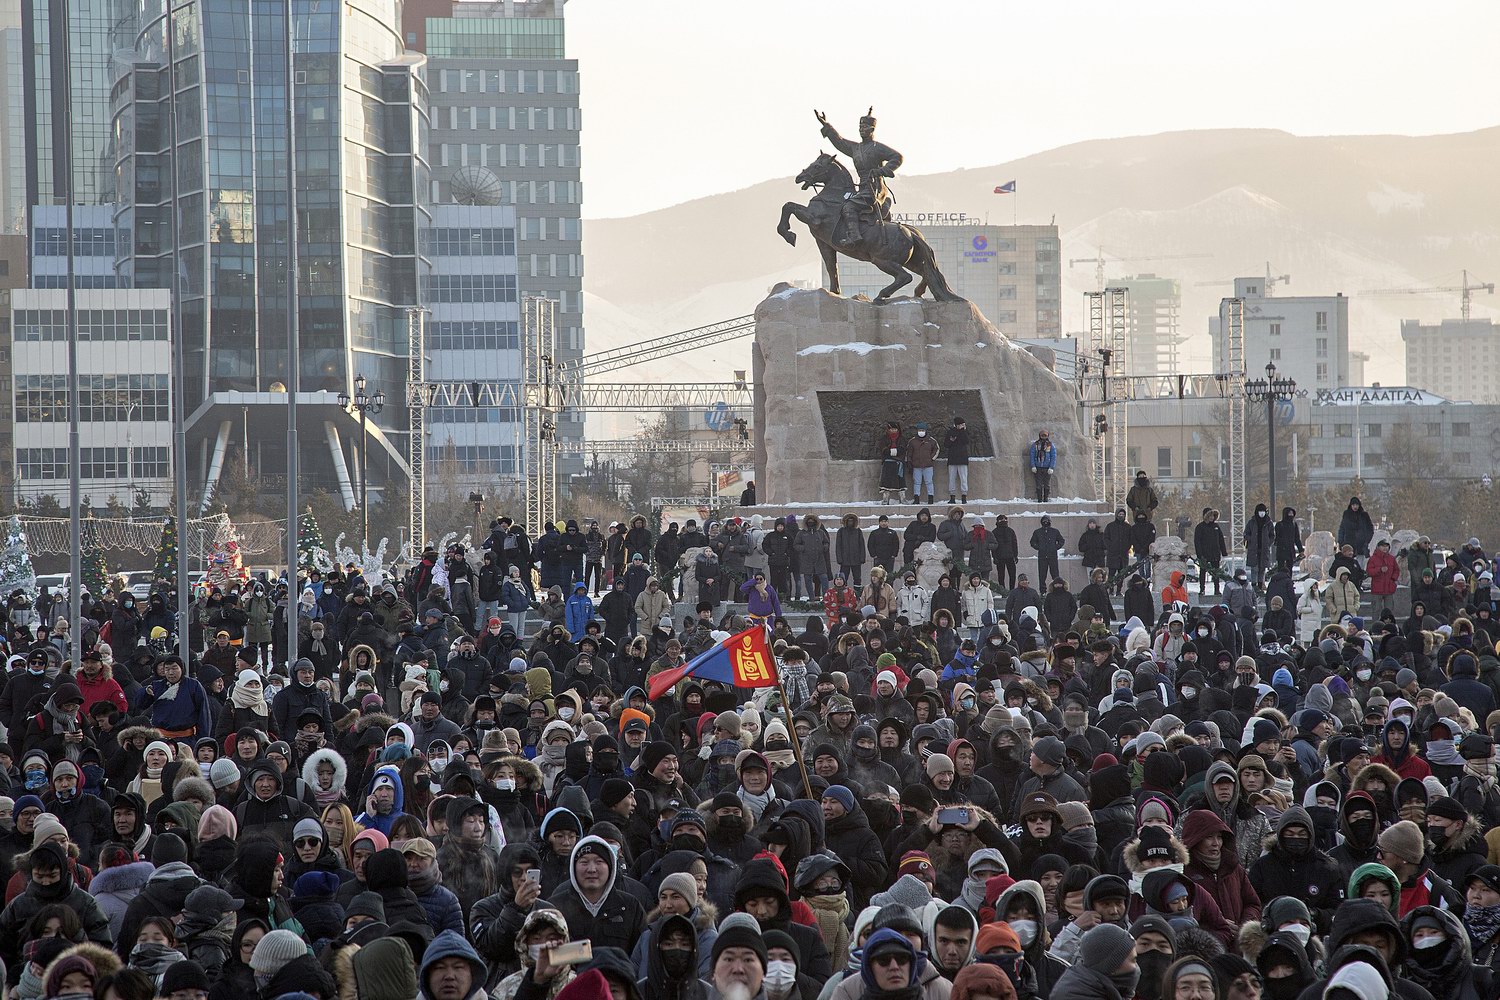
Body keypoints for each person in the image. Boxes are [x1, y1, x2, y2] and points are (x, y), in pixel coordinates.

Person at [1194, 510, 1228, 598]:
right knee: (1203, 572)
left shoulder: (1216, 527)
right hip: (1204, 555)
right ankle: (1202, 589)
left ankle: (1217, 589)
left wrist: (1224, 552)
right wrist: (1200, 555)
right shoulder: (1200, 527)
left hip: (1215, 554)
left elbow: (1221, 540)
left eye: (1213, 516)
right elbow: (1197, 541)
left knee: (1216, 573)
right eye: (1210, 516)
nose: (1212, 518)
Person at [907, 423, 940, 505]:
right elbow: (909, 453)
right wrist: (909, 462)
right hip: (916, 466)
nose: (921, 432)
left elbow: (937, 449)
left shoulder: (931, 440)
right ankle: (916, 498)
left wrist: (931, 458)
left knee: (929, 482)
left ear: (926, 431)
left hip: (928, 466)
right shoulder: (912, 441)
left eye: (922, 430)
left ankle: (930, 498)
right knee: (917, 482)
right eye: (919, 430)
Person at [1031, 517, 1064, 589]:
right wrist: (1039, 547)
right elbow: (1032, 542)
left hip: (1052, 556)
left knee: (1055, 574)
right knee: (1042, 575)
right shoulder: (1037, 532)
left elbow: (1061, 540)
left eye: (1047, 521)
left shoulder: (1055, 531)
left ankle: (1057, 588)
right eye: (1044, 521)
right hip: (1042, 557)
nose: (1045, 522)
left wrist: (1055, 547)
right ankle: (1043, 591)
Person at [945, 416, 971, 504]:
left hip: (962, 459)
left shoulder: (965, 432)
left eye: (963, 424)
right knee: (951, 478)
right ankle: (952, 496)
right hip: (952, 459)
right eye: (960, 425)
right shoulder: (950, 432)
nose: (962, 426)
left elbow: (966, 441)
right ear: (956, 425)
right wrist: (951, 440)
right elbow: (946, 444)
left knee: (964, 478)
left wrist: (962, 431)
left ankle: (964, 496)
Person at [1030, 430, 1057, 503]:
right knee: (1038, 484)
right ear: (1039, 436)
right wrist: (1033, 466)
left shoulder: (1050, 445)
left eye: (1045, 436)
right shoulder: (1035, 445)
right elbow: (1032, 455)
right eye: (1042, 436)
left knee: (1046, 484)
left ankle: (1046, 498)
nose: (1044, 437)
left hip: (1047, 467)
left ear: (1047, 436)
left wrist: (1051, 467)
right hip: (1038, 467)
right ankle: (1039, 499)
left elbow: (1053, 456)